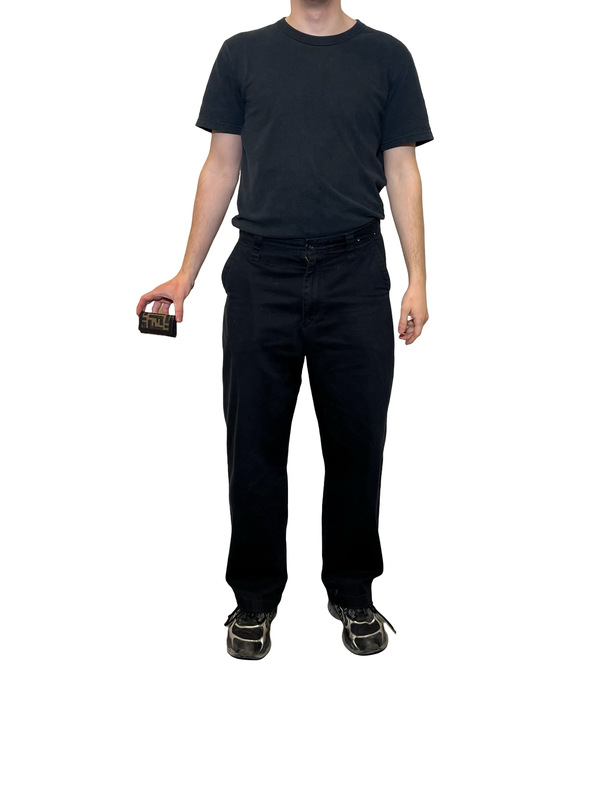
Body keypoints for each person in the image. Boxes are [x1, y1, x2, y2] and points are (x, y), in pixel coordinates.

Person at [136, 1, 434, 660]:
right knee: (253, 446)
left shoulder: (387, 56)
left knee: (357, 446)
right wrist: (185, 275)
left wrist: (417, 277)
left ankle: (353, 592)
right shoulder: (242, 53)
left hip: (355, 274)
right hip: (261, 275)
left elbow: (402, 167)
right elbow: (221, 165)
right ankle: (254, 599)